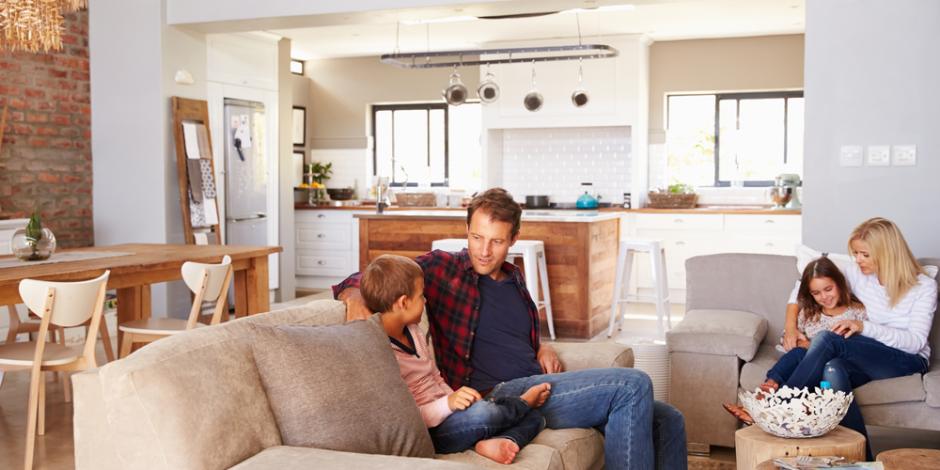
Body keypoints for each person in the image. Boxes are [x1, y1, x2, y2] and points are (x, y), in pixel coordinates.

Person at [335, 188, 687, 470]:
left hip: (538, 387)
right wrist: (353, 295)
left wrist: (540, 347)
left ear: (514, 238)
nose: (484, 252)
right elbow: (383, 277)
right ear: (467, 232)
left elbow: (512, 334)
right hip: (497, 394)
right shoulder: (445, 270)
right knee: (633, 384)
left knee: (668, 417)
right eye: (476, 238)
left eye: (496, 241)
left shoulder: (516, 279)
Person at [360, 254, 552, 464]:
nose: (425, 301)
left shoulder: (413, 330)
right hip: (430, 430)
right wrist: (448, 404)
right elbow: (407, 418)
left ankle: (494, 441)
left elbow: (434, 376)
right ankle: (521, 403)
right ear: (403, 302)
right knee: (492, 413)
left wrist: (457, 399)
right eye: (421, 296)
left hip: (451, 415)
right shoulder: (381, 352)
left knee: (536, 417)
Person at [778, 218, 936, 459]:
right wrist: (791, 328)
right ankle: (863, 461)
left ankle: (781, 405)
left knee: (827, 339)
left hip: (908, 358)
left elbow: (915, 342)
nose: (858, 260)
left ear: (886, 254)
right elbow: (803, 285)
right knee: (833, 369)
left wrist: (863, 326)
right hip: (867, 353)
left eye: (864, 254)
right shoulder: (858, 273)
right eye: (856, 253)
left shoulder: (923, 286)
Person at [722, 256, 867, 424]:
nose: (824, 297)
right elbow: (788, 342)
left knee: (807, 352)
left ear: (840, 284)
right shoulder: (808, 314)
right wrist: (803, 344)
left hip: (840, 364)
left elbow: (860, 347)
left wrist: (811, 346)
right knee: (798, 352)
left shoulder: (856, 312)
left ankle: (763, 406)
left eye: (828, 289)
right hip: (809, 365)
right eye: (816, 293)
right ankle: (769, 386)